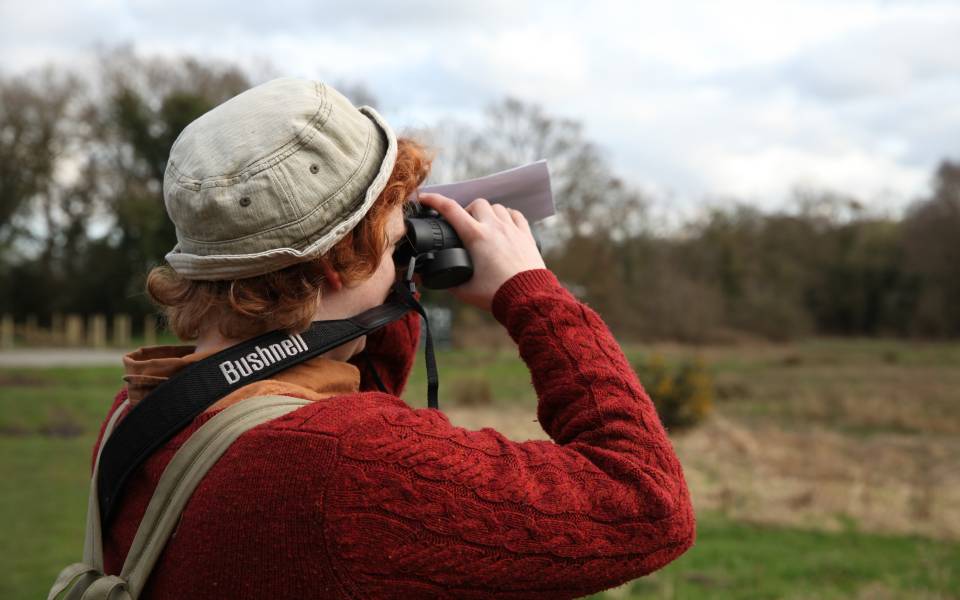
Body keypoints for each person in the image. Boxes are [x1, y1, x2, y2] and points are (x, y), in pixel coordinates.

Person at [97, 77, 695, 599]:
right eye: (393, 243)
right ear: (337, 266)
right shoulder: (343, 464)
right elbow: (647, 503)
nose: (402, 251)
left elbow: (350, 395)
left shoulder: (145, 410)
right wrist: (532, 292)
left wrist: (383, 269)